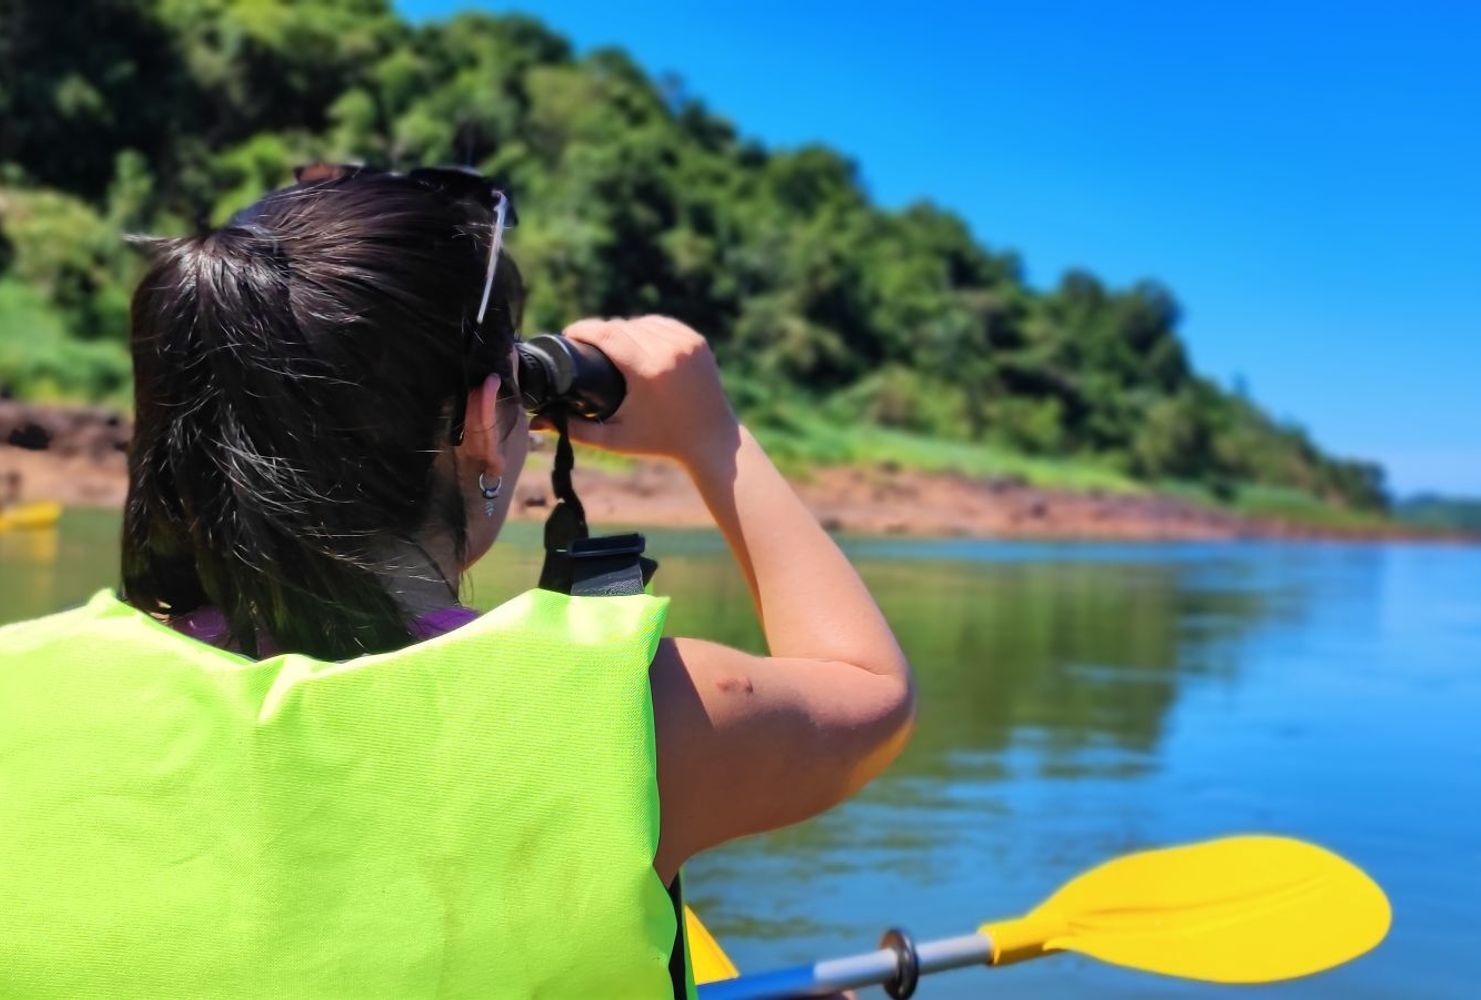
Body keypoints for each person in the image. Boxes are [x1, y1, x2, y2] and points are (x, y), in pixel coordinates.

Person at [0, 168, 914, 998]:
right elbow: (874, 696)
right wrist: (714, 436)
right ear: (484, 422)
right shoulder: (628, 718)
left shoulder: (20, 684)